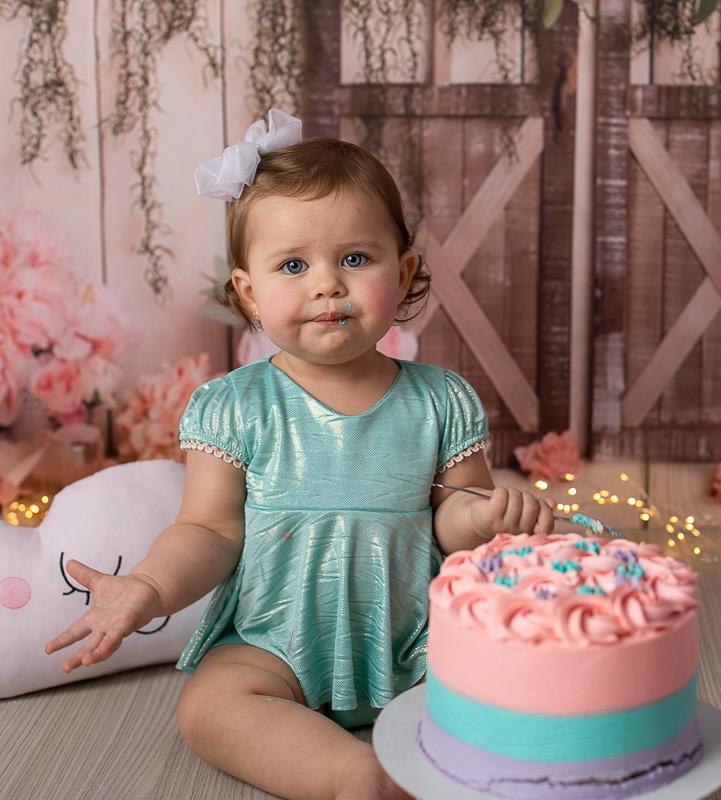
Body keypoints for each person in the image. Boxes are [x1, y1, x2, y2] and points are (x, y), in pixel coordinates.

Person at [45, 111, 554, 800]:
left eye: (355, 258)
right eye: (293, 265)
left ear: (402, 274)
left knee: (512, 678)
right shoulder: (235, 406)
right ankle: (353, 773)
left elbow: (454, 521)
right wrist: (149, 586)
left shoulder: (440, 399)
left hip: (417, 641)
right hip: (275, 638)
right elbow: (210, 530)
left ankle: (446, 754)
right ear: (250, 293)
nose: (327, 284)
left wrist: (488, 518)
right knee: (209, 706)